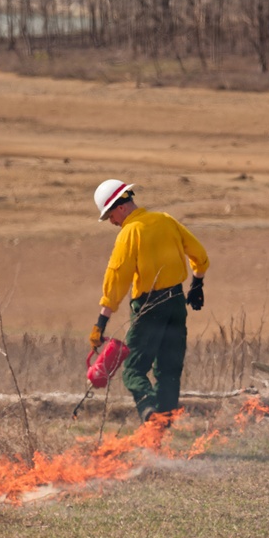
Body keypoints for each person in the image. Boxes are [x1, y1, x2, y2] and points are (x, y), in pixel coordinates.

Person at [89, 179, 210, 422]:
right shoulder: (166, 220)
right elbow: (200, 255)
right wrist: (197, 283)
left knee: (133, 370)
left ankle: (149, 411)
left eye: (110, 215)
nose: (112, 222)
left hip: (149, 308)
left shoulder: (129, 233)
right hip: (176, 304)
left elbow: (117, 278)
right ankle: (160, 432)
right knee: (169, 371)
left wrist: (102, 321)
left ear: (120, 207)